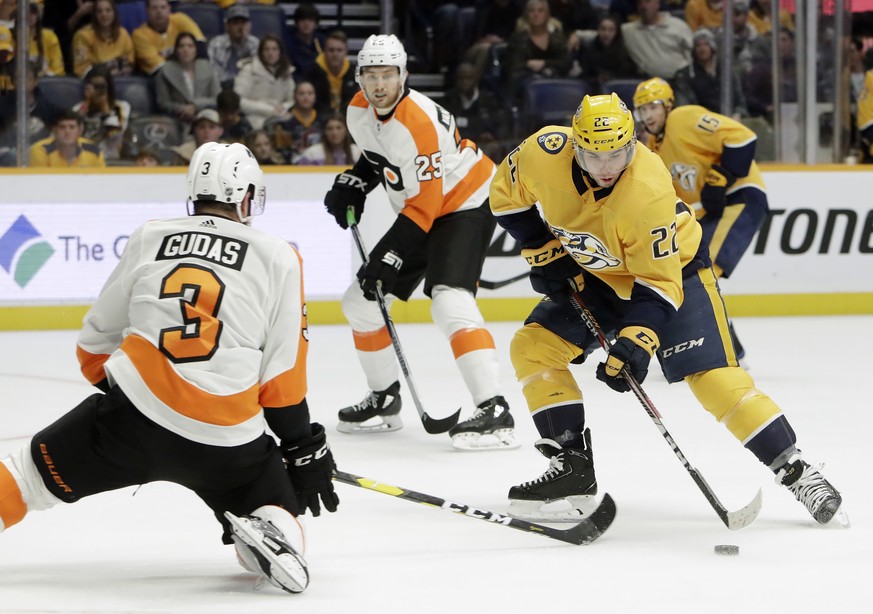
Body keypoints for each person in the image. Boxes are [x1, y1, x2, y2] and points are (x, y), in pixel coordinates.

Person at [488, 92, 843, 525]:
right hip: (600, 274)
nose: (606, 168)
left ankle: (797, 471)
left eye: (618, 153)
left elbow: (658, 283)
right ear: (573, 144)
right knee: (533, 346)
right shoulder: (543, 152)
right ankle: (572, 470)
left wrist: (636, 344)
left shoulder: (646, 188)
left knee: (713, 379)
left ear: (632, 142)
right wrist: (543, 250)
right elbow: (506, 197)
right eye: (593, 155)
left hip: (675, 274)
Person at [0, 141, 339, 594]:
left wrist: (124, 399)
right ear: (244, 197)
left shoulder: (150, 236)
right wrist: (301, 447)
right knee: (278, 505)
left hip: (135, 413)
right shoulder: (279, 255)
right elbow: (282, 381)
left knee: (26, 475)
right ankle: (269, 531)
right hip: (227, 436)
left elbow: (92, 345)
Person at [322, 35, 515, 450]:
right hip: (423, 210)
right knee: (360, 302)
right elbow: (381, 155)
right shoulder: (358, 111)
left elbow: (425, 206)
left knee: (449, 298)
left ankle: (495, 410)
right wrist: (357, 180)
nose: (379, 85)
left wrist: (388, 256)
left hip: (466, 201)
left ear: (404, 75)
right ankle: (385, 398)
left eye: (388, 75)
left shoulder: (420, 122)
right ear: (358, 78)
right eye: (370, 75)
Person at [634, 76, 762, 356]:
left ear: (668, 105)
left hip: (740, 197)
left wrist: (723, 176)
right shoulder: (654, 146)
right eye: (642, 110)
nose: (648, 115)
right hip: (710, 210)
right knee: (688, 269)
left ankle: (724, 348)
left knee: (705, 270)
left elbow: (743, 137)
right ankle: (721, 344)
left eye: (653, 107)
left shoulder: (684, 118)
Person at [671, 28, 748, 118]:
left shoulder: (727, 72)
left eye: (706, 44)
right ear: (694, 50)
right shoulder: (684, 75)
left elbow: (740, 102)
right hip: (700, 121)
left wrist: (737, 114)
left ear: (712, 47)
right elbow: (685, 107)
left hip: (729, 120)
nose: (702, 48)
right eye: (698, 45)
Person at [505, 0, 570, 100]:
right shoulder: (518, 38)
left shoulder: (557, 36)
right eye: (532, 11)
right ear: (526, 15)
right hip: (525, 83)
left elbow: (565, 63)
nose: (536, 14)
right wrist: (528, 65)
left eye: (540, 11)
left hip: (554, 79)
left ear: (547, 14)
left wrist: (545, 63)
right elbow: (513, 66)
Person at [155, 31, 221, 125]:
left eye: (190, 46)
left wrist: (195, 106)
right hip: (178, 119)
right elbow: (163, 103)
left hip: (206, 117)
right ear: (176, 50)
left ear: (195, 50)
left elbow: (217, 98)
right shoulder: (165, 71)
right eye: (181, 46)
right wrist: (183, 109)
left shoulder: (207, 67)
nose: (186, 50)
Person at [234, 34, 295, 130]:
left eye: (274, 49)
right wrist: (270, 110)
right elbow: (238, 100)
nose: (271, 53)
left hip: (280, 117)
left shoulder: (286, 72)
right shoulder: (249, 70)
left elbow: (292, 99)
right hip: (254, 119)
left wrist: (283, 107)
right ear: (261, 52)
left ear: (280, 52)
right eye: (267, 49)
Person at [621, 0, 692, 81]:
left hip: (682, 79)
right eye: (640, 3)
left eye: (647, 2)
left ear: (657, 4)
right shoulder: (628, 31)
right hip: (648, 82)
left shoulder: (678, 26)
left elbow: (693, 52)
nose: (643, 6)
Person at [73, 64, 131, 160]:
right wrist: (87, 102)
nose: (97, 90)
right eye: (93, 85)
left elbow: (115, 134)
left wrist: (105, 107)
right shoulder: (78, 108)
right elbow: (70, 133)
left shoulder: (121, 107)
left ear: (109, 88)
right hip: (82, 159)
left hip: (110, 159)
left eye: (100, 86)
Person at [132, 0, 204, 75]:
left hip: (188, 71)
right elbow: (159, 68)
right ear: (147, 11)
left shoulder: (180, 19)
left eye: (163, 7)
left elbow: (201, 46)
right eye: (154, 8)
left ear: (169, 9)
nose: (159, 11)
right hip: (159, 77)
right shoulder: (139, 35)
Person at [577, 12, 638, 94]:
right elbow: (585, 76)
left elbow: (628, 76)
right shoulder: (589, 51)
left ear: (616, 32)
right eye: (603, 29)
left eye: (611, 30)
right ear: (598, 30)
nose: (606, 34)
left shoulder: (624, 53)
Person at [71, 0, 135, 77]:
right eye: (99, 11)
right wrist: (105, 72)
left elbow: (130, 61)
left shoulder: (123, 33)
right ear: (94, 15)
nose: (104, 14)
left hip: (122, 79)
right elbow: (81, 69)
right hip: (96, 80)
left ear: (114, 12)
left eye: (108, 10)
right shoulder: (82, 36)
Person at [207, 3, 259, 90]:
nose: (240, 27)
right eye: (236, 23)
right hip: (222, 88)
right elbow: (212, 71)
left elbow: (258, 70)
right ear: (227, 25)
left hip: (250, 88)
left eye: (243, 23)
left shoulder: (255, 43)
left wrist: (245, 42)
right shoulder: (216, 43)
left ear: (249, 25)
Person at [29, 109, 106, 167]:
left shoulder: (94, 151)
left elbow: (101, 183)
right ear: (55, 130)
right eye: (62, 127)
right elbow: (40, 184)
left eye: (72, 127)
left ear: (80, 130)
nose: (67, 131)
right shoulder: (41, 150)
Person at [307, 29, 356, 115]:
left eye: (339, 50)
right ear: (324, 51)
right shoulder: (311, 72)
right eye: (331, 50)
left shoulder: (354, 73)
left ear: (346, 52)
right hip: (319, 119)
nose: (335, 54)